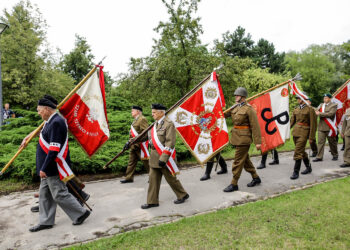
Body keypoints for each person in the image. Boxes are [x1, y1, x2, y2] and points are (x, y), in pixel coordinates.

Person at [21, 95, 90, 232]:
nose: (38, 113)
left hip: (52, 166)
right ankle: (46, 221)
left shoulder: (56, 122)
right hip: (48, 167)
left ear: (46, 109)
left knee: (59, 193)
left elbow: (54, 149)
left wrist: (44, 168)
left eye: (39, 110)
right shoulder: (50, 121)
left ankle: (81, 213)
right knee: (45, 194)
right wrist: (27, 136)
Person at [140, 104, 189, 209]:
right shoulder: (154, 125)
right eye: (152, 112)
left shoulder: (169, 124)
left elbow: (170, 142)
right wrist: (131, 142)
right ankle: (152, 201)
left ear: (161, 112)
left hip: (164, 158)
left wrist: (163, 158)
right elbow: (145, 137)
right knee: (153, 180)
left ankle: (182, 195)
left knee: (171, 179)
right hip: (154, 158)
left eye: (154, 112)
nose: (152, 114)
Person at [223, 87, 262, 192]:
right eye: (235, 95)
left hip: (244, 139)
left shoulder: (249, 109)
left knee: (238, 161)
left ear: (243, 97)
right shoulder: (235, 107)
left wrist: (258, 142)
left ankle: (234, 183)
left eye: (238, 95)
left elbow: (255, 126)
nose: (236, 97)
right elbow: (223, 115)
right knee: (245, 160)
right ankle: (256, 177)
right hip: (236, 138)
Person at [290, 94, 317, 179]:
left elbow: (313, 124)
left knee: (298, 152)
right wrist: (285, 130)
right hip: (296, 132)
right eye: (297, 98)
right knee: (301, 151)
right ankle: (308, 167)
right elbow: (292, 122)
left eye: (299, 98)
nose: (297, 99)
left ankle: (295, 172)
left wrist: (311, 137)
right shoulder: (296, 109)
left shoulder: (310, 109)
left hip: (304, 132)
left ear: (303, 99)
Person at [121, 106, 150, 183]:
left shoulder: (142, 119)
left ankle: (153, 177)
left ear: (138, 111)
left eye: (133, 111)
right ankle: (129, 178)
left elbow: (145, 133)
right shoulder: (135, 120)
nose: (131, 112)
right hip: (133, 145)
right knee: (131, 162)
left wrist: (135, 141)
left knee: (147, 162)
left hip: (140, 145)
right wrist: (129, 142)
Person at [313, 94, 338, 162]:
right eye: (324, 98)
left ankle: (335, 154)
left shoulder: (334, 105)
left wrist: (320, 113)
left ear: (330, 99)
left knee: (332, 142)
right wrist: (310, 107)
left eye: (326, 98)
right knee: (320, 142)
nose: (325, 99)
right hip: (321, 127)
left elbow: (330, 114)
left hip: (330, 128)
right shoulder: (321, 105)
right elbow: (316, 110)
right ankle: (319, 157)